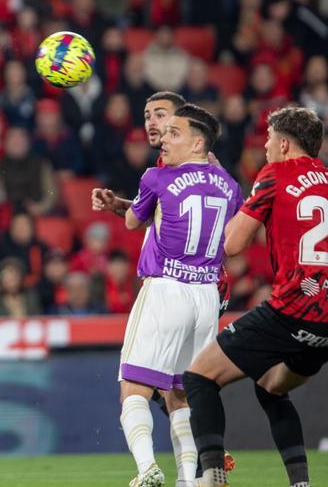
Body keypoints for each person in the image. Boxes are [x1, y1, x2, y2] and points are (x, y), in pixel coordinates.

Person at [92, 104, 241, 487]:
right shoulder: (230, 184)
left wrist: (124, 205)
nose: (164, 137)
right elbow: (234, 240)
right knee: (183, 394)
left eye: (174, 132)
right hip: (207, 297)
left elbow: (132, 220)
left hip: (166, 288)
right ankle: (188, 480)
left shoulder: (156, 178)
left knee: (134, 387)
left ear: (197, 143)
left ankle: (147, 469)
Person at [183, 107, 328, 487]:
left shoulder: (275, 175)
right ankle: (301, 484)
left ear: (284, 144)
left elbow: (232, 243)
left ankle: (212, 476)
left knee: (199, 378)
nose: (264, 146)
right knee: (271, 386)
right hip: (325, 323)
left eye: (268, 139)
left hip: (292, 310)